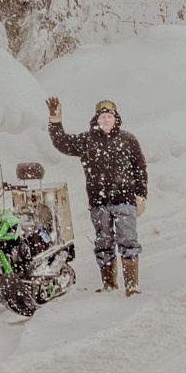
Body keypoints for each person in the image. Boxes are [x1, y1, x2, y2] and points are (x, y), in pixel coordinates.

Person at [46, 96, 148, 296]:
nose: (106, 120)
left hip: (125, 200)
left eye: (109, 116)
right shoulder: (87, 141)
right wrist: (55, 121)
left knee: (128, 240)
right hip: (99, 203)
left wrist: (141, 195)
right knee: (104, 243)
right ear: (96, 119)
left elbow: (140, 169)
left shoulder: (128, 140)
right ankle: (109, 285)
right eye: (102, 116)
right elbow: (62, 143)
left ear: (116, 118)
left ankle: (132, 286)